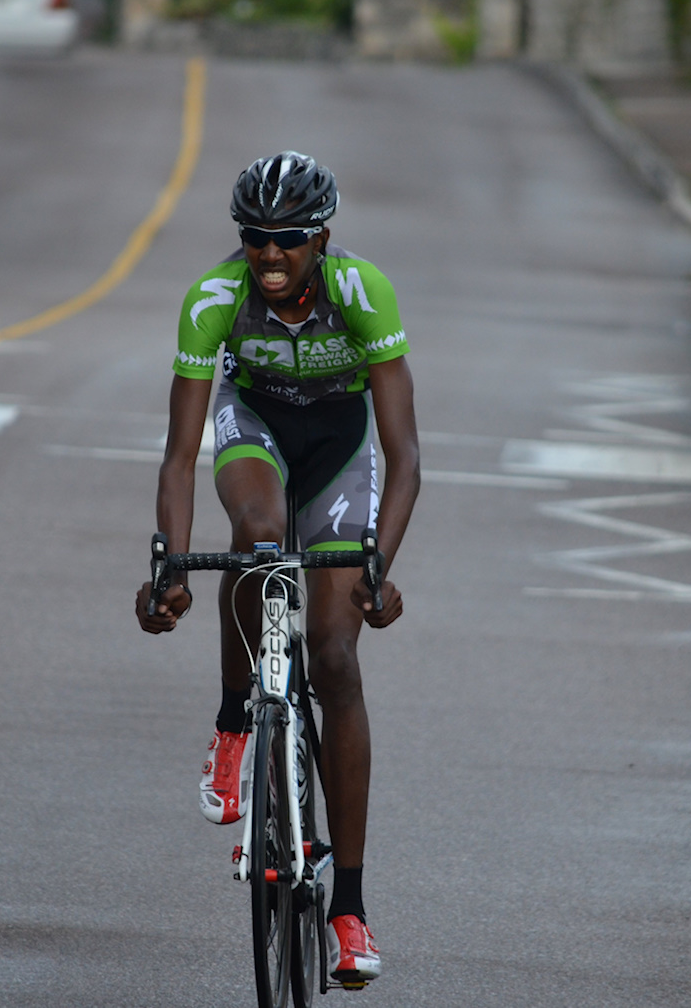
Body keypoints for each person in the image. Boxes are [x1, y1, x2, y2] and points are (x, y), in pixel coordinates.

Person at [135, 151, 419, 987]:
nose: (269, 255)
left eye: (288, 240)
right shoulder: (214, 299)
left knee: (333, 658)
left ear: (321, 236)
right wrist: (170, 567)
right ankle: (233, 727)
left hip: (340, 450)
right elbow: (181, 455)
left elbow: (404, 457)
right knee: (257, 538)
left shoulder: (363, 293)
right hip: (254, 424)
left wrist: (377, 568)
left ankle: (350, 910)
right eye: (254, 239)